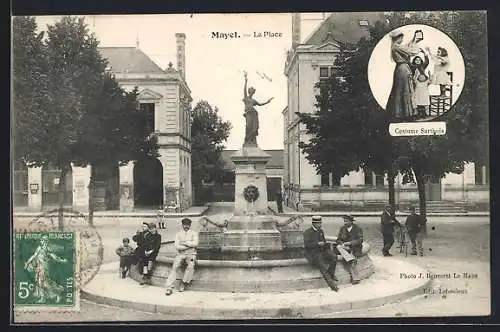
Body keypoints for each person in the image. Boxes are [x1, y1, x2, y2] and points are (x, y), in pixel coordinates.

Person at [385, 29, 422, 121]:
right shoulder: (396, 46)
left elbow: (406, 46)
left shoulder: (396, 46)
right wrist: (417, 46)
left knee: (402, 90)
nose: (402, 40)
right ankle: (405, 114)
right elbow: (410, 51)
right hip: (402, 70)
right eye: (401, 38)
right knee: (405, 90)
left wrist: (414, 39)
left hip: (402, 69)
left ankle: (401, 113)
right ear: (397, 38)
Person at [302, 216, 339, 291]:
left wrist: (325, 245)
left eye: (320, 223)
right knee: (322, 266)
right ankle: (332, 285)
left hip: (322, 251)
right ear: (314, 224)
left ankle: (331, 273)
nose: (320, 224)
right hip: (313, 253)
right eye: (318, 223)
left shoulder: (321, 231)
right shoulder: (307, 232)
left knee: (334, 257)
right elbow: (306, 245)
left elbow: (324, 241)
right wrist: (318, 244)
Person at [165, 218, 199, 295]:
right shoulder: (178, 234)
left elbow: (195, 243)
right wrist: (189, 245)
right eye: (184, 225)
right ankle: (169, 287)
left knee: (190, 266)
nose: (186, 226)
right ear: (182, 225)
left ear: (190, 225)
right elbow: (177, 246)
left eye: (188, 225)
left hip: (191, 254)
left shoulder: (194, 233)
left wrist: (184, 243)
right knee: (175, 267)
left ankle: (183, 282)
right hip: (181, 254)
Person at [242, 71, 274, 147]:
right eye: (251, 91)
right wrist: (246, 80)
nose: (252, 93)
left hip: (254, 114)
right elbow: (244, 89)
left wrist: (267, 101)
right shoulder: (246, 98)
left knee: (254, 127)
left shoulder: (253, 101)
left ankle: (253, 140)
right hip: (248, 114)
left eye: (253, 92)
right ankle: (248, 140)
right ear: (249, 92)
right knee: (248, 127)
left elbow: (260, 104)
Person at [335, 215, 363, 284]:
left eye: (346, 221)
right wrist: (342, 244)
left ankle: (355, 278)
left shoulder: (357, 229)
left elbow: (360, 240)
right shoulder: (342, 229)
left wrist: (350, 243)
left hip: (355, 248)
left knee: (350, 261)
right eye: (344, 221)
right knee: (338, 246)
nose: (345, 223)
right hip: (345, 248)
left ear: (351, 221)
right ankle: (350, 259)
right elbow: (338, 240)